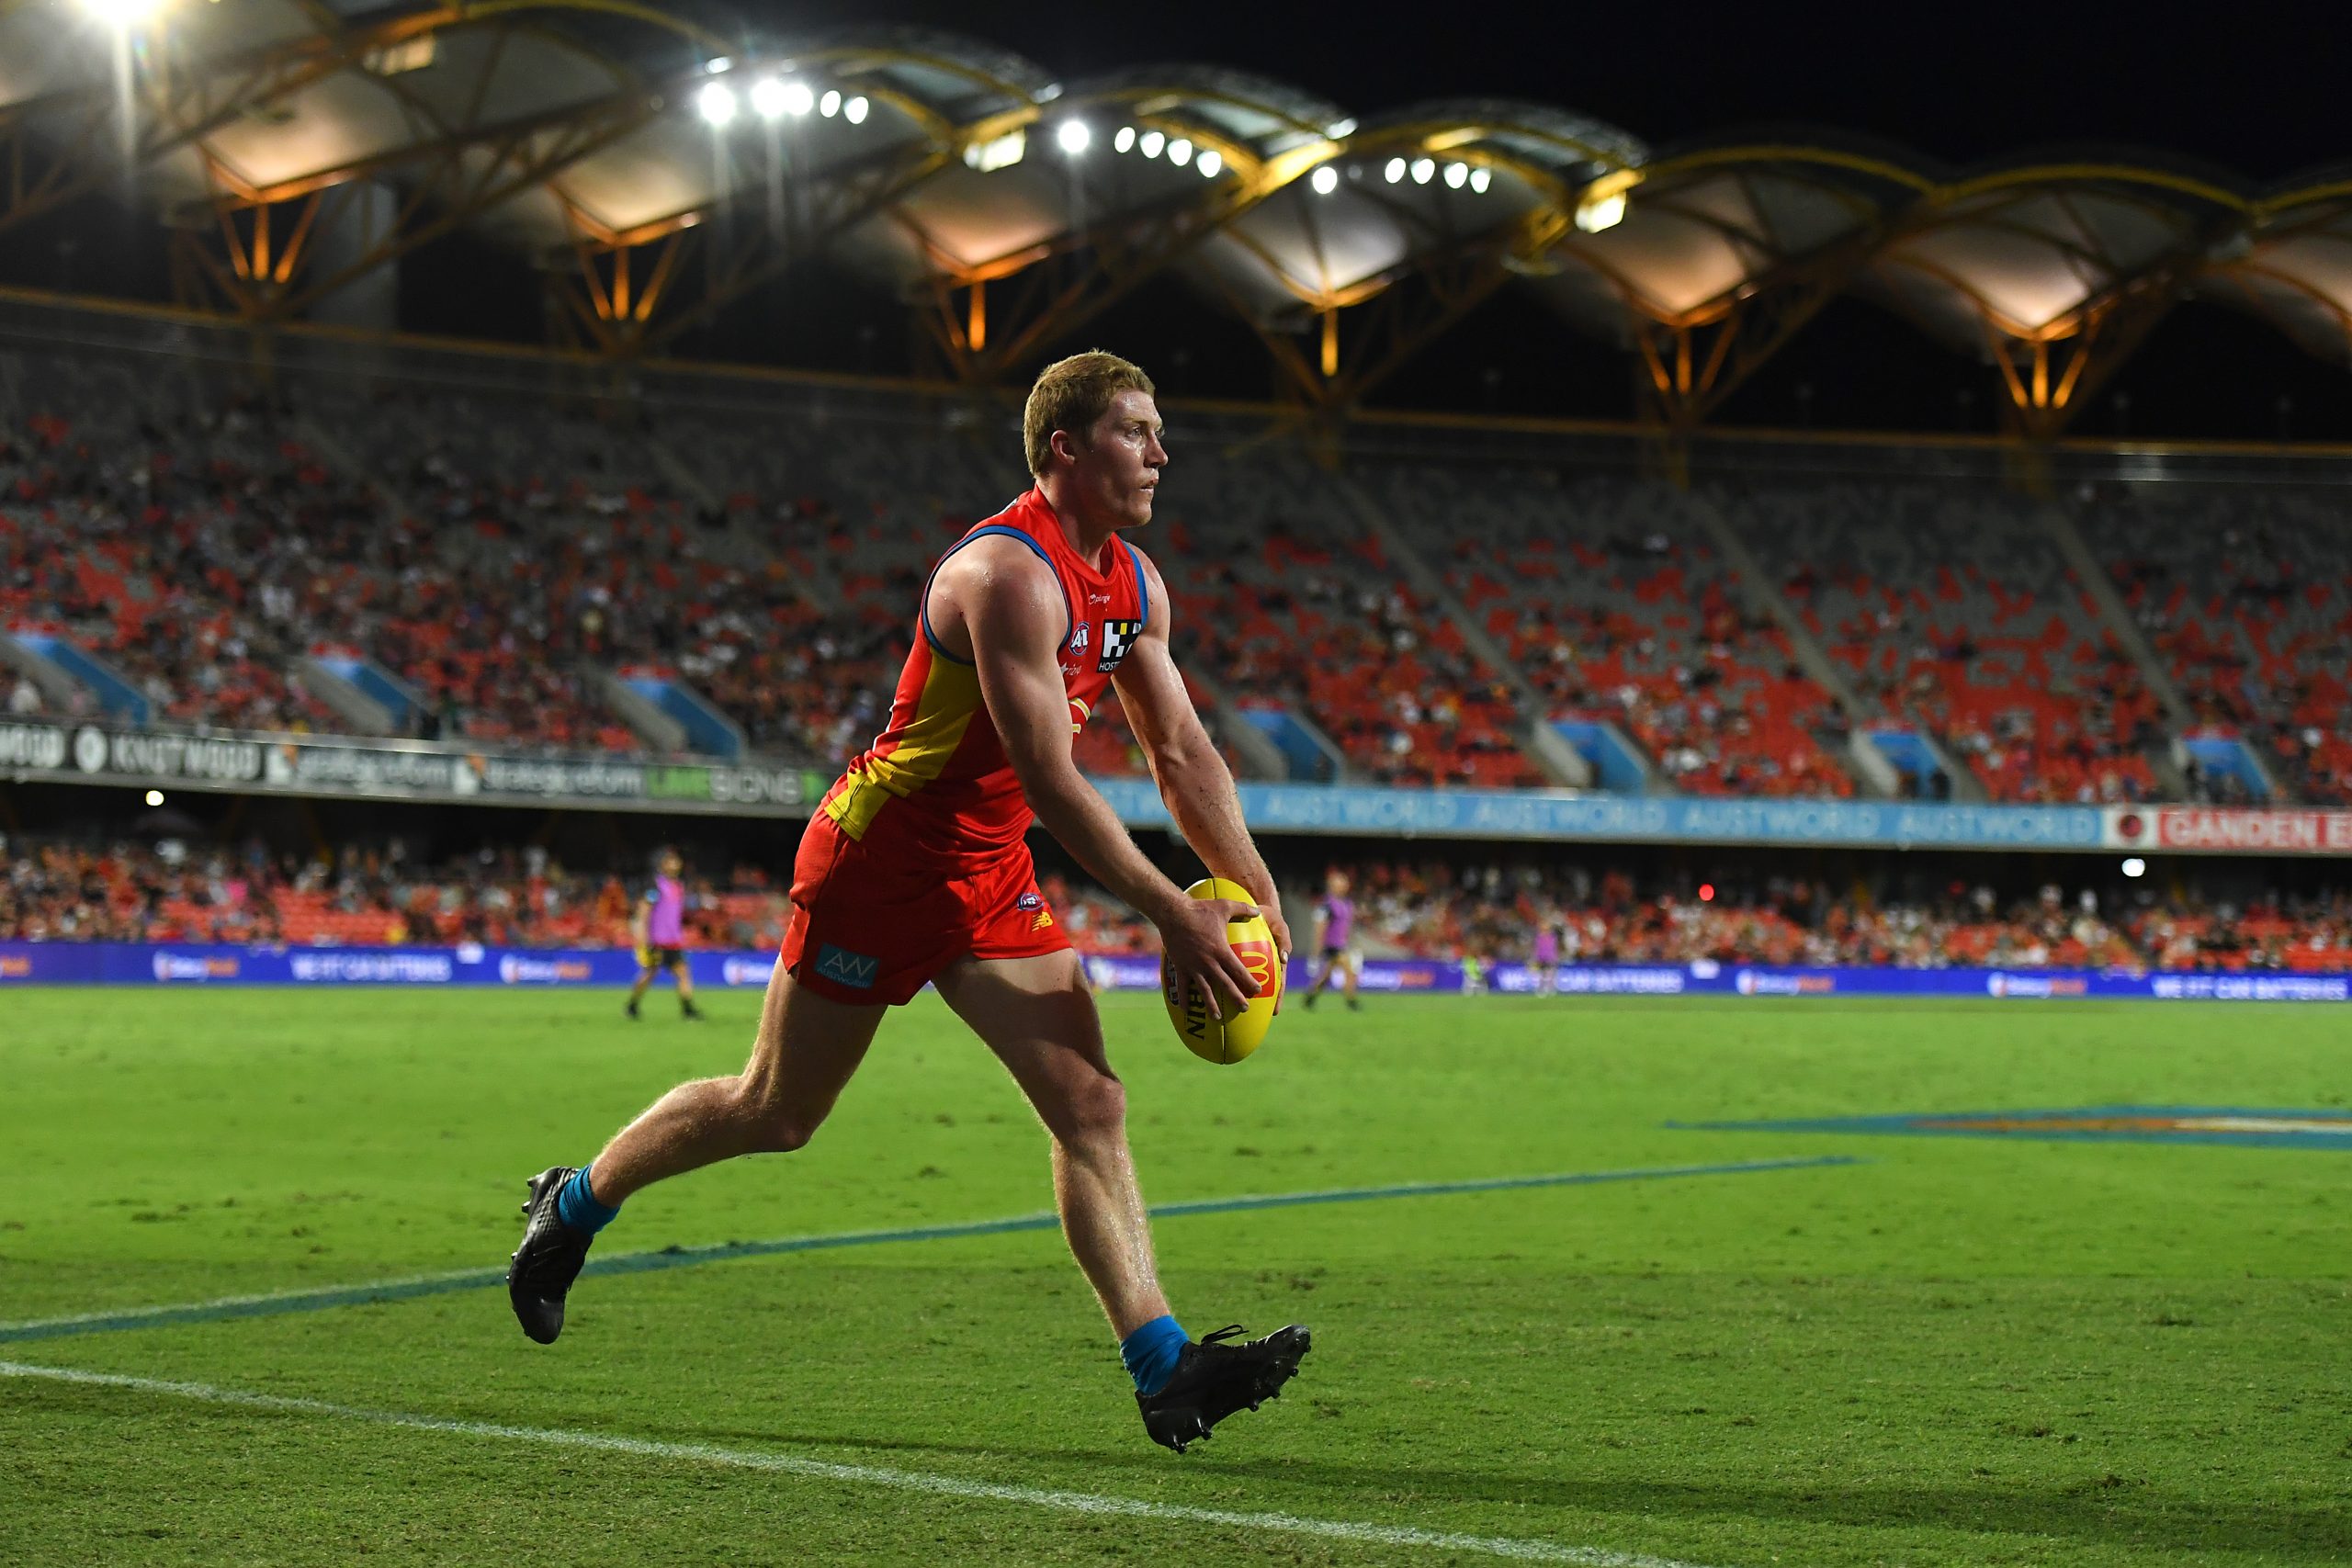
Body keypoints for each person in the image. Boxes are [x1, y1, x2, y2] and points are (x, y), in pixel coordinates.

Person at [507, 352, 1310, 1452]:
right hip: (881, 861)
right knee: (777, 1112)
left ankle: (1164, 1369)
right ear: (1064, 449)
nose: (1161, 453)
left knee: (1092, 1108)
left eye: (1159, 431)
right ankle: (576, 1203)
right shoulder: (1004, 575)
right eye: (1136, 431)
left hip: (988, 875)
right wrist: (1173, 910)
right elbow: (1050, 778)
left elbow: (1178, 750)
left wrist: (1253, 893)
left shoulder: (1134, 586)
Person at [625, 850, 703, 1021]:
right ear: (662, 864)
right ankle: (632, 1005)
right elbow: (644, 911)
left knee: (682, 972)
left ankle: (688, 1009)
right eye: (670, 861)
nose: (675, 864)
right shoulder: (655, 886)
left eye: (676, 860)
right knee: (649, 974)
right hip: (657, 940)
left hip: (674, 940)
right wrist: (644, 938)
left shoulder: (679, 886)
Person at [1300, 869, 1361, 1010]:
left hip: (1342, 944)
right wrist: (1316, 949)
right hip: (1332, 945)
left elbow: (1347, 927)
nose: (1342, 885)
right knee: (1349, 970)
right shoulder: (1327, 905)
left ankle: (1310, 998)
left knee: (1325, 977)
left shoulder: (1348, 904)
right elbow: (1320, 928)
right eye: (1339, 883)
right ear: (1332, 885)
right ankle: (1352, 1002)